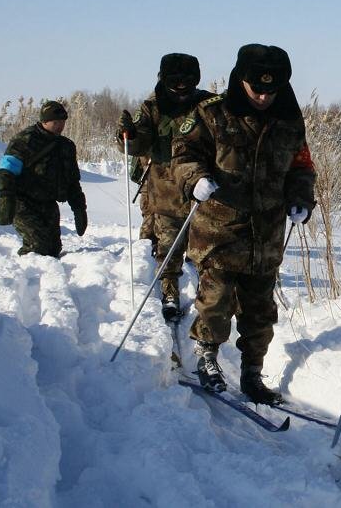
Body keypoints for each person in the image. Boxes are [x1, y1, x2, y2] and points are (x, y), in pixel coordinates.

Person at [172, 44, 316, 403]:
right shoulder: (211, 114)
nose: (265, 96)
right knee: (216, 301)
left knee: (260, 312)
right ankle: (207, 357)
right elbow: (183, 154)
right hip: (219, 231)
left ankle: (252, 373)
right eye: (257, 89)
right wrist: (195, 179)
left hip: (266, 235)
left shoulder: (289, 120)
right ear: (241, 81)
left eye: (272, 90)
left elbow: (301, 166)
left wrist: (301, 199)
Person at [117, 53, 213, 320]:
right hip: (166, 191)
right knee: (168, 247)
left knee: (207, 248)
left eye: (187, 81)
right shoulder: (152, 107)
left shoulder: (208, 104)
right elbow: (135, 145)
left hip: (202, 189)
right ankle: (169, 291)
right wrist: (129, 134)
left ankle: (211, 297)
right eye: (175, 81)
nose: (182, 87)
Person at [0, 100, 87, 256]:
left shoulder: (66, 146)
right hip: (23, 203)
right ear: (44, 121)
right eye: (55, 122)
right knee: (37, 246)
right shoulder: (25, 140)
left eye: (62, 122)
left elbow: (72, 181)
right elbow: (6, 171)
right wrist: (6, 198)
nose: (60, 126)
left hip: (48, 205)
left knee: (53, 250)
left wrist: (79, 208)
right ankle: (25, 274)